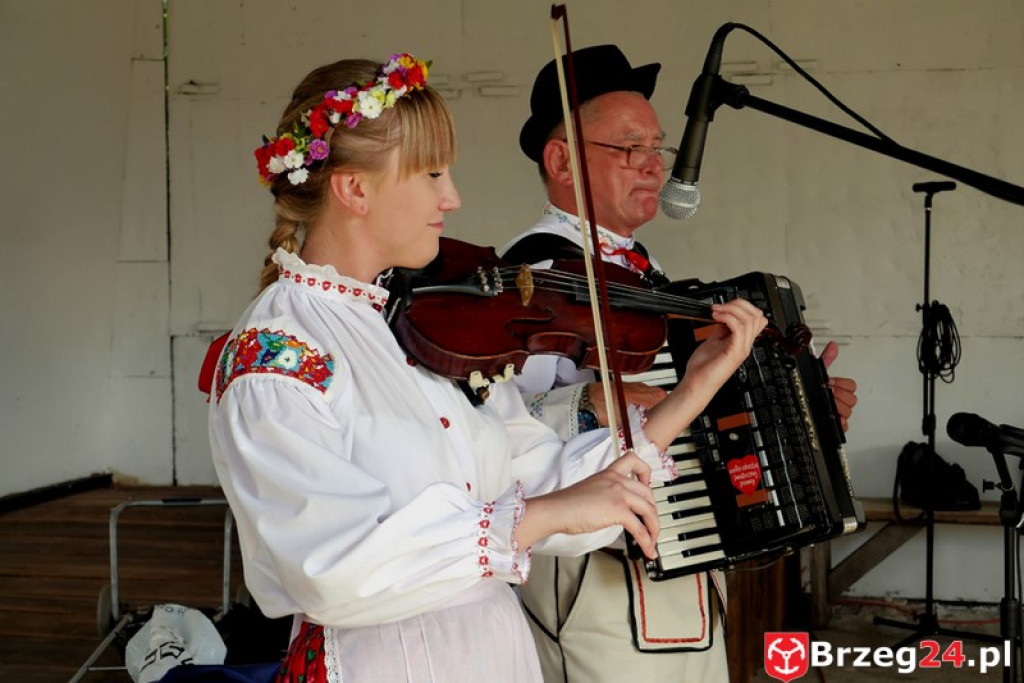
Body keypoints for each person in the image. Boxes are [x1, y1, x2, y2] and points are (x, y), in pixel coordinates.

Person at [207, 53, 768, 682]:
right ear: (354, 188)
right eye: (431, 173)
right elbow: (330, 569)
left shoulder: (432, 328)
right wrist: (539, 519)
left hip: (494, 655)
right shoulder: (278, 350)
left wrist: (692, 392)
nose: (452, 197)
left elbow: (544, 480)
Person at [500, 44, 859, 682]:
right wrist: (593, 402)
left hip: (685, 568)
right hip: (597, 588)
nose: (653, 166)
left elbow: (695, 415)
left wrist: (801, 418)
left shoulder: (649, 277)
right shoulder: (536, 278)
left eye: (658, 149)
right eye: (629, 148)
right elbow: (499, 434)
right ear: (561, 160)